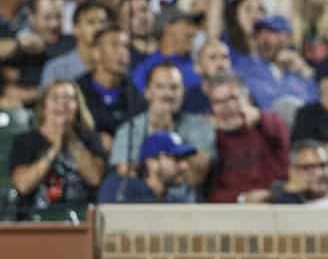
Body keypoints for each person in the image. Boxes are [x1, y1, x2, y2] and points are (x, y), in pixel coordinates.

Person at [109, 61, 214, 193]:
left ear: (183, 92)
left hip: (188, 206)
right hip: (142, 203)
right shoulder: (129, 129)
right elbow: (126, 178)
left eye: (174, 87)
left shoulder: (199, 125)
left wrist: (166, 132)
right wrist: (156, 132)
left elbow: (197, 176)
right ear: (147, 92)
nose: (168, 94)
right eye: (160, 87)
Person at [8, 80, 106, 218]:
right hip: (35, 218)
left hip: (80, 218)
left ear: (77, 106)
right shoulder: (25, 141)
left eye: (68, 98)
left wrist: (71, 140)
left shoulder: (89, 138)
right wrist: (55, 148)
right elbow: (23, 185)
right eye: (55, 98)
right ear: (44, 105)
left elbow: (95, 178)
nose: (62, 103)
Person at [208, 72, 290, 204]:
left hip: (277, 205)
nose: (226, 107)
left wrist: (259, 117)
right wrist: (242, 199)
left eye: (232, 98)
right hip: (233, 211)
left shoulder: (270, 123)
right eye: (218, 102)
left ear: (247, 97)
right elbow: (212, 192)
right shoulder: (213, 136)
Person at [97, 131, 197, 204]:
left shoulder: (177, 201)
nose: (185, 166)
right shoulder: (122, 188)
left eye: (185, 159)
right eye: (177, 159)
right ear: (152, 163)